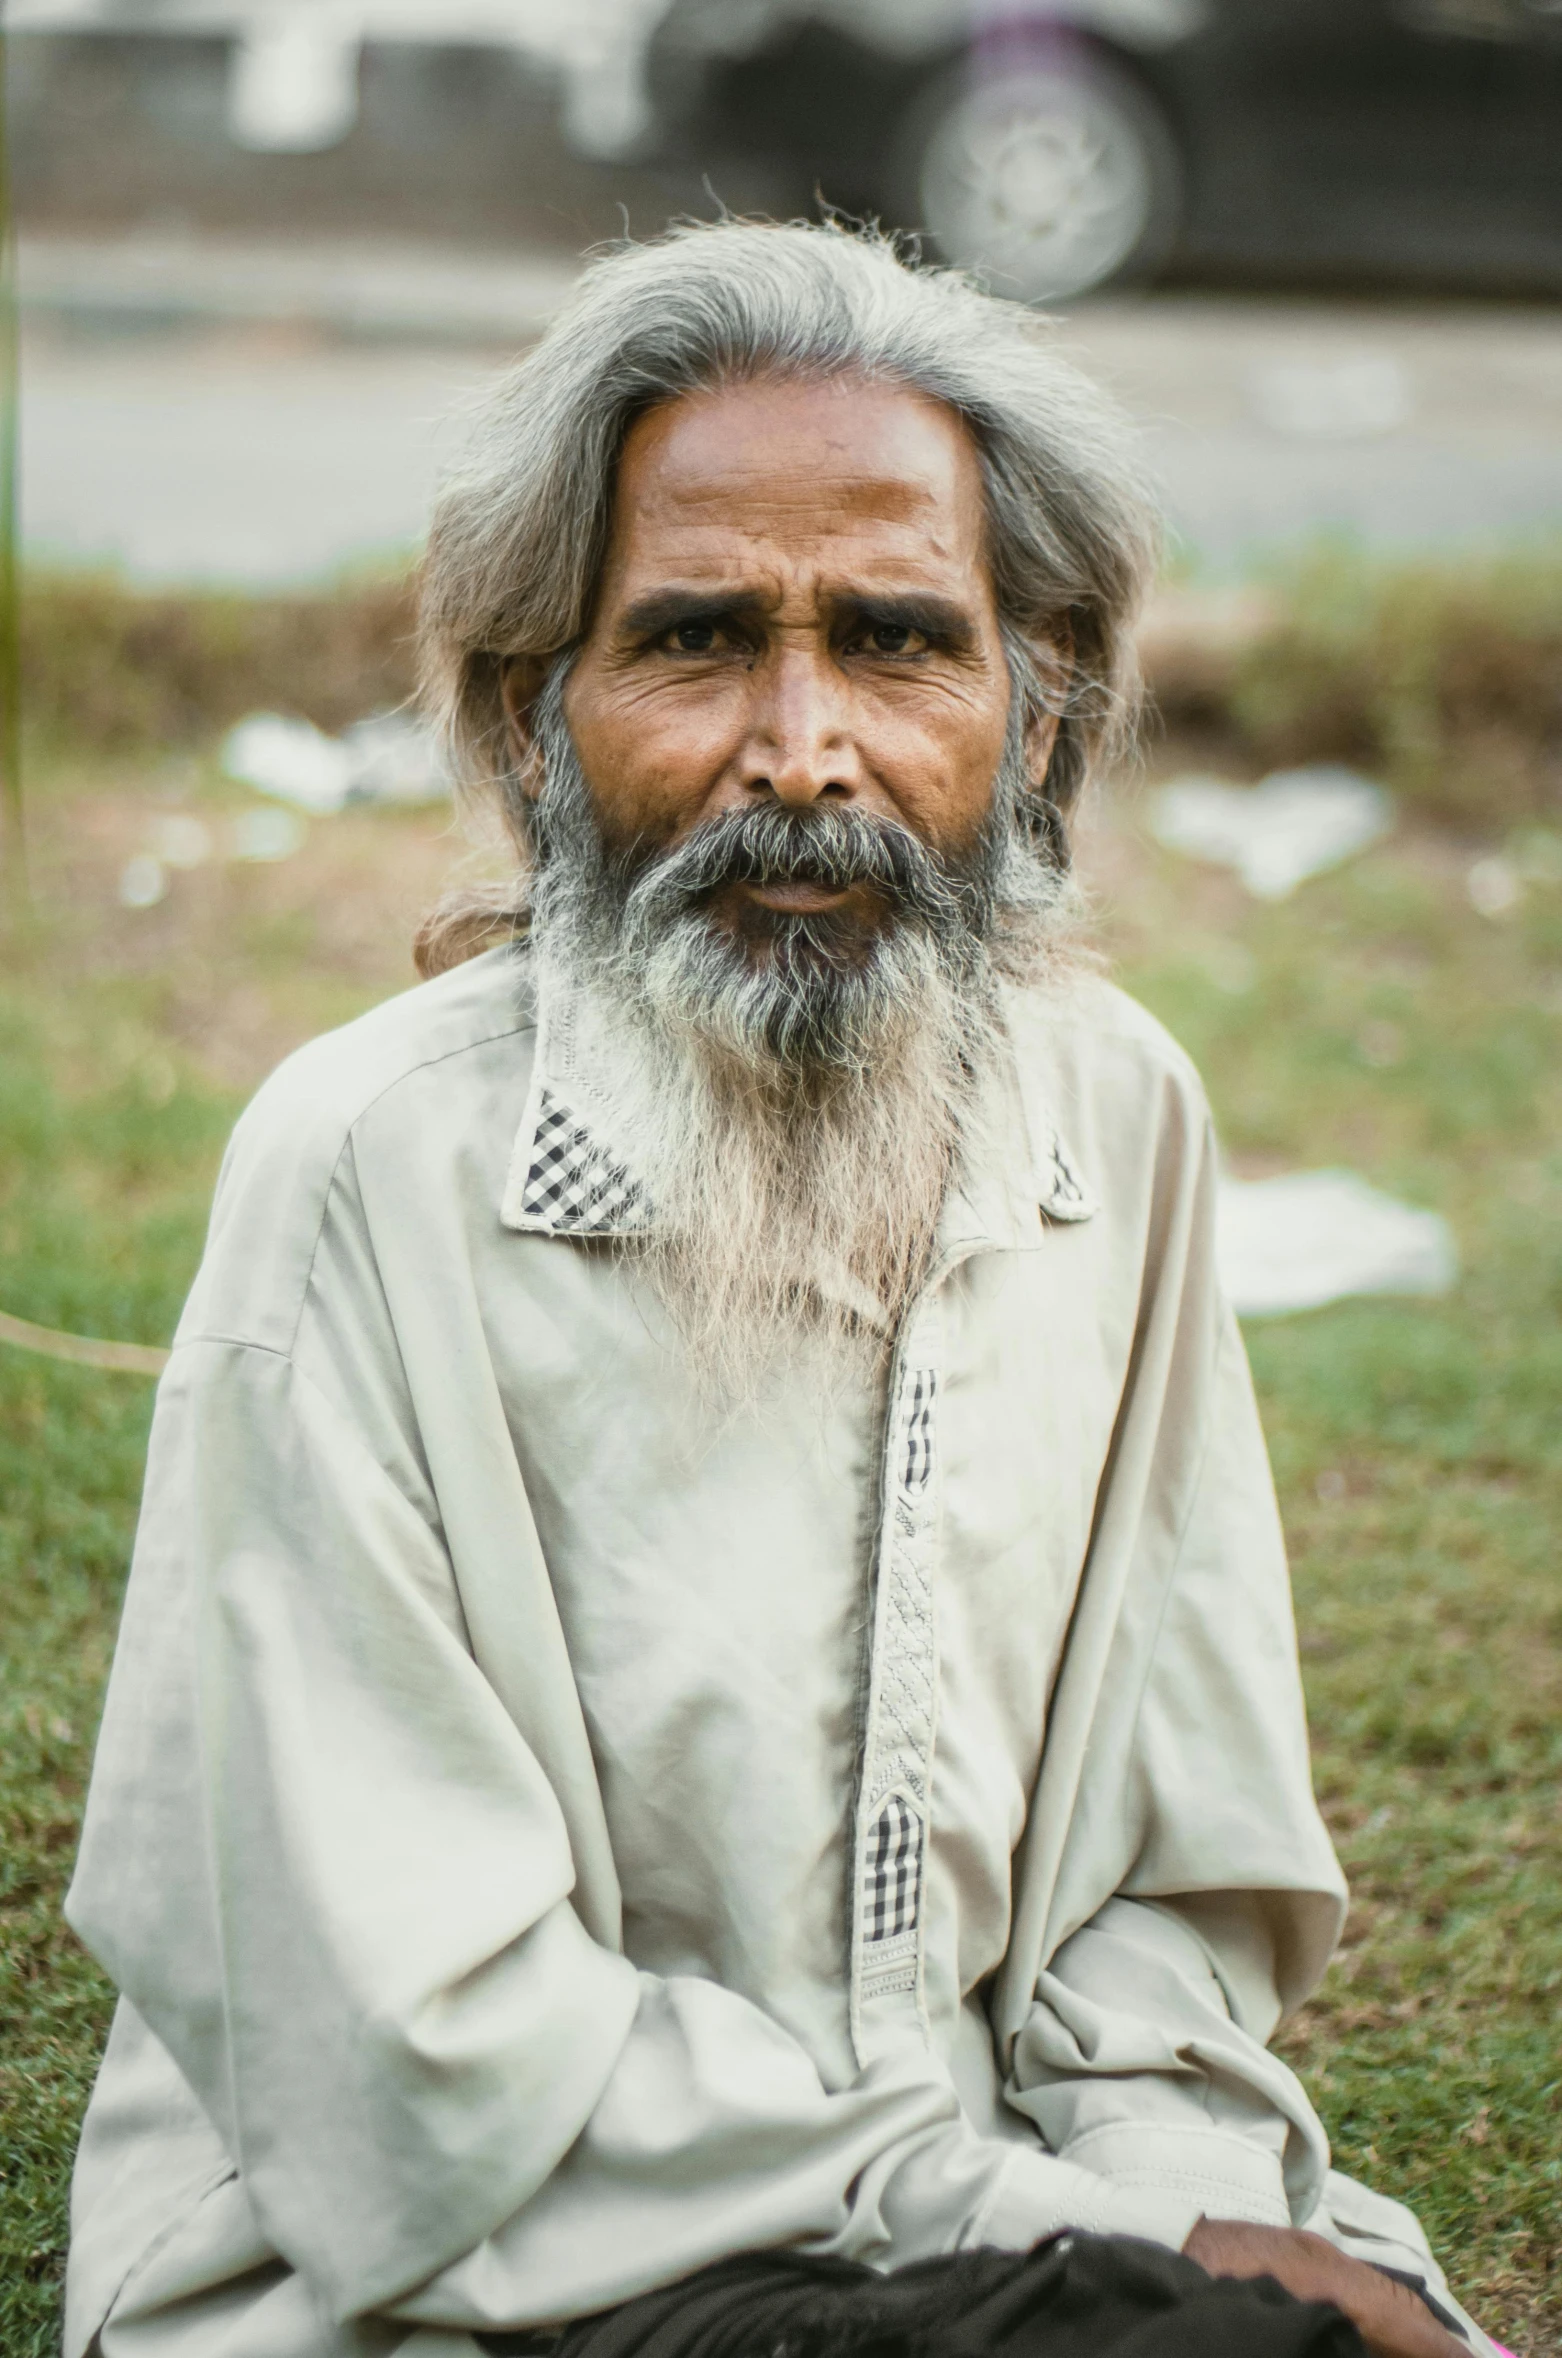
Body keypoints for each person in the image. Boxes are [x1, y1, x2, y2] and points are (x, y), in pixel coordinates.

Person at [63, 222, 1494, 2358]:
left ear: (1039, 717)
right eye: (700, 639)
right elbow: (417, 2044)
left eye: (900, 641)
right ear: (535, 718)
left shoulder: (1113, 1117)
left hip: (999, 2228)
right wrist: (1021, 2239)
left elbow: (1162, 1900)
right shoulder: (367, 1171)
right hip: (465, 2267)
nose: (802, 747)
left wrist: (1165, 2216)